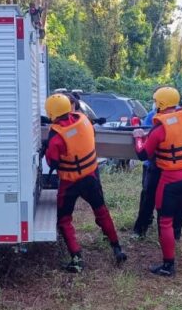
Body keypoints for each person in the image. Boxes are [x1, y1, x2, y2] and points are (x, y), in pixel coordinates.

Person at [44, 93, 127, 273]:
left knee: (64, 219)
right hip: (90, 177)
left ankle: (76, 259)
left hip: (70, 182)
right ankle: (117, 247)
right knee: (102, 211)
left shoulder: (55, 136)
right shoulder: (84, 119)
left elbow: (52, 162)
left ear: (51, 112)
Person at [133, 87, 182, 276]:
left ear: (159, 104)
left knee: (165, 221)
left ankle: (168, 265)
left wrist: (138, 138)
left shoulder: (160, 128)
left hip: (171, 180)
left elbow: (143, 154)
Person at [131, 103, 182, 241]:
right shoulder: (154, 115)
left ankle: (174, 231)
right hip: (161, 165)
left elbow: (142, 152)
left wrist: (138, 137)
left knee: (171, 199)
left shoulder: (179, 117)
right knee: (149, 197)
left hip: (168, 166)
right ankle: (142, 228)